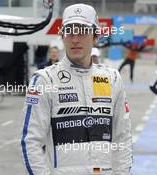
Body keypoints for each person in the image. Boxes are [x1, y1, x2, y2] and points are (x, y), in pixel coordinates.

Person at [21, 3, 132, 175]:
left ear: (95, 37)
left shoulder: (112, 79)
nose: (74, 39)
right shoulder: (44, 80)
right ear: (62, 36)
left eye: (82, 32)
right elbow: (32, 142)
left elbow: (122, 138)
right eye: (69, 31)